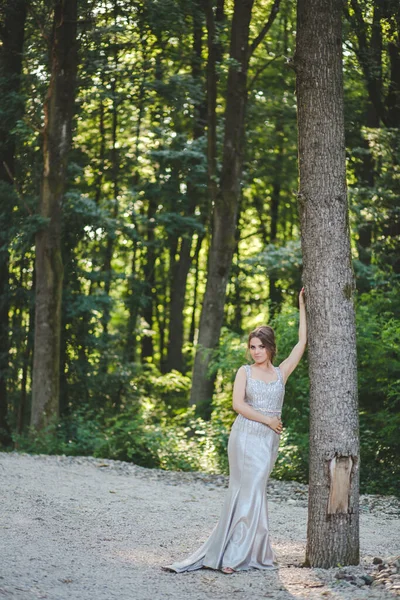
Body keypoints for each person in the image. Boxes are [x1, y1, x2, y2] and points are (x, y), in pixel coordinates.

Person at [163, 288, 307, 574]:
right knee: (248, 490)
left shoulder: (281, 373)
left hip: (268, 442)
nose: (256, 352)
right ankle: (233, 557)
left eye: (260, 347)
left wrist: (302, 304)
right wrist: (267, 420)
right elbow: (237, 405)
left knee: (256, 492)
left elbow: (303, 341)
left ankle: (252, 550)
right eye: (252, 347)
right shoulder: (245, 371)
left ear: (270, 348)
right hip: (245, 437)